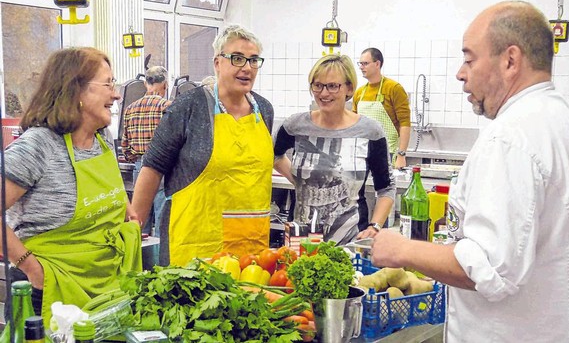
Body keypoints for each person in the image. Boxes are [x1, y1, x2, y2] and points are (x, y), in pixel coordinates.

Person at [370, 1, 569, 342]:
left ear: (510, 60)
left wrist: (400, 250)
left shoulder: (510, 137)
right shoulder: (560, 120)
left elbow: (490, 269)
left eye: (469, 58)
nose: (460, 72)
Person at [0, 47, 142, 323]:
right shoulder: (38, 146)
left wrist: (126, 211)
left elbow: (109, 185)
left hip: (104, 288)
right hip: (49, 292)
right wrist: (32, 269)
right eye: (108, 84)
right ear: (76, 90)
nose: (116, 94)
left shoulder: (102, 139)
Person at [131, 24, 274, 265]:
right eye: (237, 59)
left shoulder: (264, 111)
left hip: (251, 248)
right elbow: (152, 168)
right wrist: (132, 234)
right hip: (195, 247)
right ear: (218, 63)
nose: (246, 68)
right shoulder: (188, 107)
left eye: (253, 60)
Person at [273, 54, 395, 245]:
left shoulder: (370, 131)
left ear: (349, 88)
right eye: (317, 85)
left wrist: (374, 227)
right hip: (300, 237)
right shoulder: (294, 126)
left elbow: (386, 188)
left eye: (332, 86)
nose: (323, 93)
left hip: (350, 239)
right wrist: (299, 182)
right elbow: (274, 155)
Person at [120, 66, 172, 237]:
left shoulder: (130, 109)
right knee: (162, 217)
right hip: (163, 168)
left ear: (145, 83)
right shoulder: (168, 107)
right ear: (165, 84)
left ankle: (140, 260)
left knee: (139, 220)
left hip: (139, 166)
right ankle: (159, 260)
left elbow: (125, 143)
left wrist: (134, 158)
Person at [353, 48, 411, 169]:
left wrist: (401, 155)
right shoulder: (359, 92)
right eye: (360, 64)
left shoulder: (394, 88)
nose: (361, 67)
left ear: (377, 64)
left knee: (383, 187)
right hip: (362, 153)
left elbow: (404, 123)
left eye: (365, 63)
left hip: (386, 152)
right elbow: (354, 123)